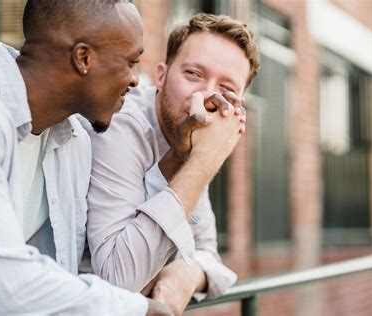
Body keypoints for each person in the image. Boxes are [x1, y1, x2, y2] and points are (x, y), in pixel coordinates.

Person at [0, 1, 169, 315]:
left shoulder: (73, 138)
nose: (134, 80)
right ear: (83, 58)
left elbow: (70, 273)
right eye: (131, 61)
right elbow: (10, 285)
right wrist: (138, 310)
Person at [83, 13, 260, 315]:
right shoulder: (122, 123)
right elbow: (117, 283)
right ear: (162, 75)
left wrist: (189, 275)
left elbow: (208, 252)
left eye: (227, 90)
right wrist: (203, 162)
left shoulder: (193, 141)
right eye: (193, 74)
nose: (206, 97)